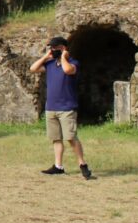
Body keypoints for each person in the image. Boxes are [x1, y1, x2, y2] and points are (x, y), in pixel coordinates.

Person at [30, 36, 92, 180]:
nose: (52, 50)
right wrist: (46, 57)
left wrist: (64, 56)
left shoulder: (73, 62)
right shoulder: (50, 64)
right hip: (51, 107)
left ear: (63, 48)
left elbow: (68, 70)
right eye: (51, 47)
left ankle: (82, 164)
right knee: (56, 139)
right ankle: (58, 166)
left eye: (55, 47)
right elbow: (33, 68)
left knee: (71, 138)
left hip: (67, 108)